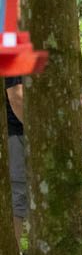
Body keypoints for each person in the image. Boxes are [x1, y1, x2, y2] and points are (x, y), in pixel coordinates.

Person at [7, 77, 26, 245]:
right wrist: (35, 130)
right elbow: (16, 97)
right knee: (18, 192)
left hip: (13, 132)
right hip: (16, 133)